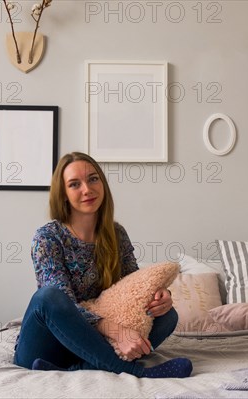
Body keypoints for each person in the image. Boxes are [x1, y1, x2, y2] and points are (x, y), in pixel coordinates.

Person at [13, 152, 192, 378]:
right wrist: (116, 332)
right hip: (46, 348)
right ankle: (133, 371)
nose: (87, 189)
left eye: (93, 179)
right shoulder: (48, 237)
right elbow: (61, 302)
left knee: (168, 317)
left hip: (90, 348)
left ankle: (81, 368)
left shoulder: (116, 234)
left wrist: (158, 297)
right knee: (48, 297)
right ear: (64, 194)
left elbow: (134, 287)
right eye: (75, 184)